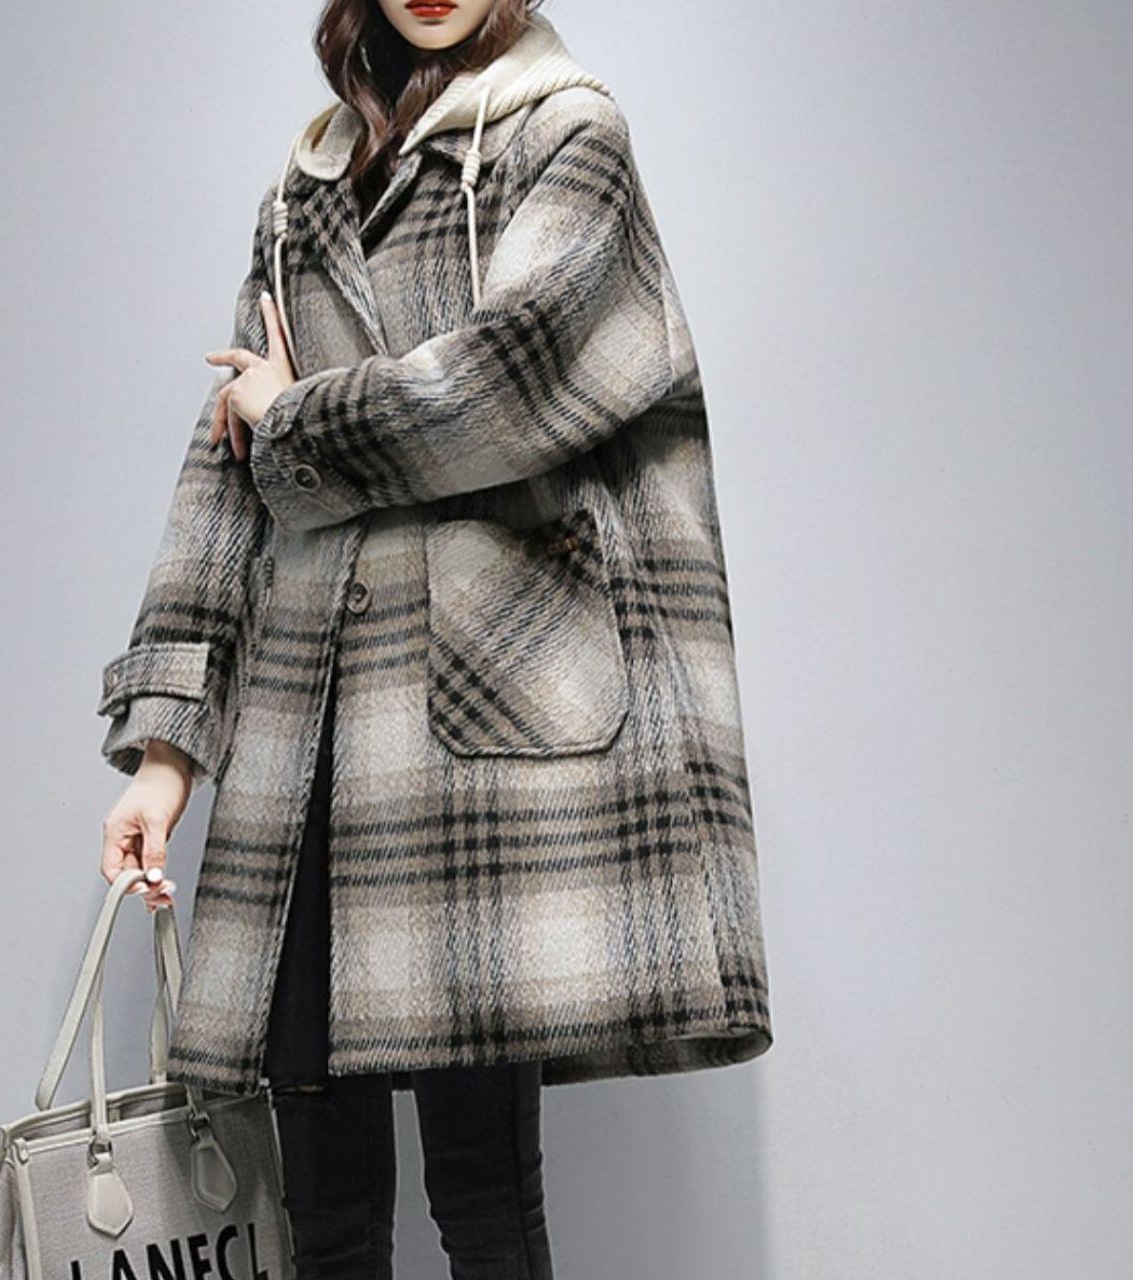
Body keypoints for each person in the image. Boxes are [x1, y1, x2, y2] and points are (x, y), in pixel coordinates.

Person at [96, 2, 773, 1277]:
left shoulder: (567, 135)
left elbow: (503, 386)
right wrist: (165, 756)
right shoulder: (305, 185)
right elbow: (225, 476)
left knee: (483, 1195)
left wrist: (294, 414)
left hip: (482, 732)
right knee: (323, 1207)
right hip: (309, 733)